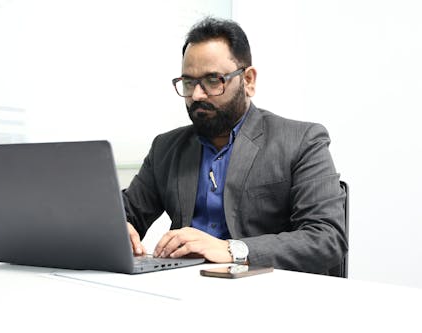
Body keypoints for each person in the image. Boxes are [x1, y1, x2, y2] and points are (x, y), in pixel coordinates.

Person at [122, 17, 348, 275]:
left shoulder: (301, 141)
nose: (197, 95)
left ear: (248, 80)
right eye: (188, 82)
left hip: (266, 291)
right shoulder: (167, 147)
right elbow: (128, 212)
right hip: (182, 287)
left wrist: (233, 250)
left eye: (213, 80)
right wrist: (117, 227)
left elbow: (326, 238)